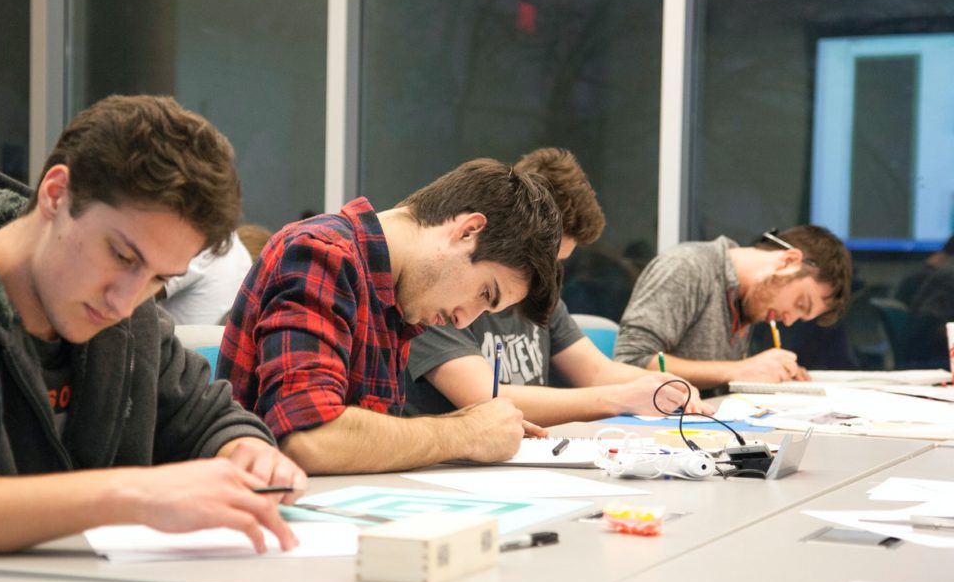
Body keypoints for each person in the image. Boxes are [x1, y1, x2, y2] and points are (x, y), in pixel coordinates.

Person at [0, 95, 305, 557]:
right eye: (123, 256)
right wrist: (131, 496)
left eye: (158, 278)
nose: (126, 302)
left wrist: (247, 452)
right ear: (55, 195)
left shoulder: (132, 322)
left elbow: (209, 418)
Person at [218, 159, 563, 474]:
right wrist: (466, 433)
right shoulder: (322, 253)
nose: (464, 320)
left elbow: (360, 435)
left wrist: (472, 422)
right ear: (468, 230)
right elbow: (309, 439)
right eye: (485, 293)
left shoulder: (398, 295)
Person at [404, 147, 710, 425]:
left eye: (557, 264)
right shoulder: (442, 298)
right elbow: (485, 397)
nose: (545, 277)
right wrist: (619, 399)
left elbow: (596, 372)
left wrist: (665, 387)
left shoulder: (539, 300)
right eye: (542, 261)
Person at [614, 226, 852, 391]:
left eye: (801, 317)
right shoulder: (688, 267)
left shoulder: (749, 300)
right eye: (800, 303)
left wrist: (771, 374)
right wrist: (741, 369)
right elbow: (630, 362)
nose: (789, 321)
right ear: (789, 261)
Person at [157, 230, 253, 325]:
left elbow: (145, 291)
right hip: (207, 337)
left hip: (180, 338)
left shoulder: (205, 248)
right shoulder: (242, 254)